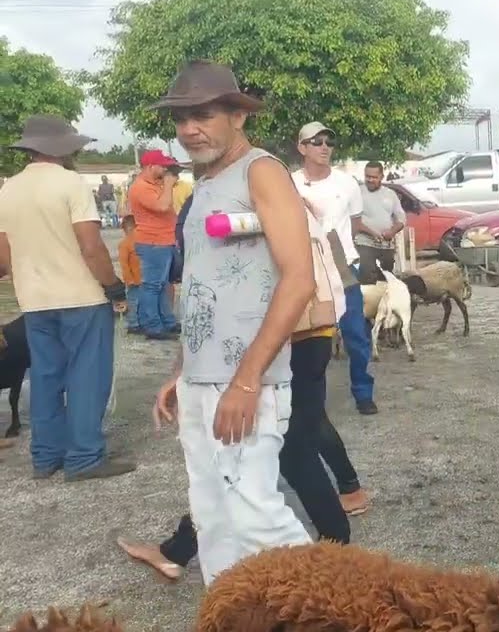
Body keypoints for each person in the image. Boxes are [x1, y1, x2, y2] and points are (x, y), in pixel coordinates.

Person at [119, 200, 369, 580]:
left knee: (251, 455)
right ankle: (336, 538)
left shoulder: (230, 193)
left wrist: (194, 370)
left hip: (277, 334)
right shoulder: (272, 189)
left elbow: (211, 292)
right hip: (311, 329)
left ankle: (334, 559)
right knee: (290, 441)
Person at [149, 59, 315, 583]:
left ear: (238, 116)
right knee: (213, 516)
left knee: (255, 515)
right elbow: (203, 286)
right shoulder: (205, 182)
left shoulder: (261, 171)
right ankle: (232, 613)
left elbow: (299, 280)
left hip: (247, 379)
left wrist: (246, 380)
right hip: (203, 379)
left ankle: (339, 608)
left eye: (202, 115)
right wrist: (182, 369)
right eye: (181, 119)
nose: (189, 129)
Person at [0, 115, 134, 481]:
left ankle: (45, 457)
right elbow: (91, 246)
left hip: (34, 300)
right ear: (62, 148)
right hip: (81, 296)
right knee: (87, 376)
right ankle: (84, 457)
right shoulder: (71, 183)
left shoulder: (9, 188)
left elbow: (3, 256)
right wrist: (112, 285)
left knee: (46, 377)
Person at [291, 122, 377, 415]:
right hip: (306, 266)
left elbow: (354, 224)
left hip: (342, 265)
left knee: (356, 335)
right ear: (302, 147)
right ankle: (312, 401)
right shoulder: (289, 183)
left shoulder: (347, 184)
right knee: (311, 336)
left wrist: (341, 254)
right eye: (317, 142)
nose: (325, 147)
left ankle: (363, 392)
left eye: (329, 141)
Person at [127, 149, 182, 341]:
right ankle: (152, 326)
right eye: (162, 166)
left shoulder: (153, 185)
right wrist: (168, 184)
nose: (165, 170)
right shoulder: (141, 188)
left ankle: (166, 321)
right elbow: (162, 206)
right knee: (152, 286)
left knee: (162, 285)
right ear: (151, 166)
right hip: (153, 242)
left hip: (163, 241)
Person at [353, 160, 406, 281]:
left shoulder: (390, 194)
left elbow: (401, 218)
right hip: (364, 243)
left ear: (381, 177)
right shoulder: (357, 193)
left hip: (386, 246)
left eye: (374, 177)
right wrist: (373, 233)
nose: (370, 180)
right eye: (368, 176)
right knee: (368, 278)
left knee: (386, 280)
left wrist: (392, 232)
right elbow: (354, 221)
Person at [118, 216, 143, 335]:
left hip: (143, 279)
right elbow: (124, 264)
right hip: (134, 280)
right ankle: (133, 324)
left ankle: (140, 322)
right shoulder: (124, 244)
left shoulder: (142, 242)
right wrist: (129, 279)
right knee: (133, 302)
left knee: (142, 302)